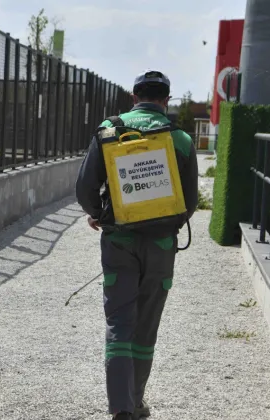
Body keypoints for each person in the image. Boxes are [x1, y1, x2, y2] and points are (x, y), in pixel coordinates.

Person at [75, 70, 199, 420]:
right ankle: (137, 398)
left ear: (134, 97)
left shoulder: (109, 130)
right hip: (160, 245)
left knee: (119, 323)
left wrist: (101, 214)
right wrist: (163, 224)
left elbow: (84, 189)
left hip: (119, 242)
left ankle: (121, 408)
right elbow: (189, 203)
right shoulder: (182, 140)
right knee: (146, 326)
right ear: (166, 101)